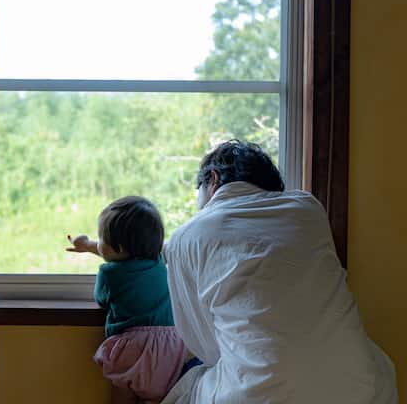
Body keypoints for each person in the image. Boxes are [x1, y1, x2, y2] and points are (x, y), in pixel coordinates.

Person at [68, 141, 399, 403]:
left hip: (258, 393)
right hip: (359, 387)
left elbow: (205, 346)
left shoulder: (188, 237)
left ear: (212, 180)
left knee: (188, 386)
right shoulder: (308, 208)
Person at [66, 196, 186, 404]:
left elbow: (102, 299)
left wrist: (90, 246)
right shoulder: (158, 260)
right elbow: (121, 255)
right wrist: (88, 245)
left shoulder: (109, 275)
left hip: (134, 349)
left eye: (101, 238)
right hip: (171, 348)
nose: (99, 243)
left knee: (122, 392)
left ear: (119, 247)